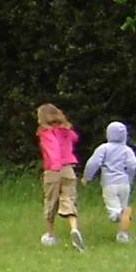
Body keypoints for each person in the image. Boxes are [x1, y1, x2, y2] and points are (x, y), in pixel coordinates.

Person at [82, 120, 136, 242]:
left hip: (109, 183)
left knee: (113, 209)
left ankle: (117, 215)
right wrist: (130, 178)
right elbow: (132, 164)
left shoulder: (104, 148)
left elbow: (93, 163)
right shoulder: (127, 150)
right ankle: (123, 235)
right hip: (124, 183)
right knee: (124, 207)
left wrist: (87, 177)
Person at [37, 102, 84, 250]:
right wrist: (65, 126)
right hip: (68, 169)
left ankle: (50, 234)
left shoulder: (45, 133)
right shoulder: (66, 131)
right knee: (69, 199)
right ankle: (74, 228)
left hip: (53, 170)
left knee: (51, 201)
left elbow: (52, 148)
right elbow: (75, 138)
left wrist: (55, 166)